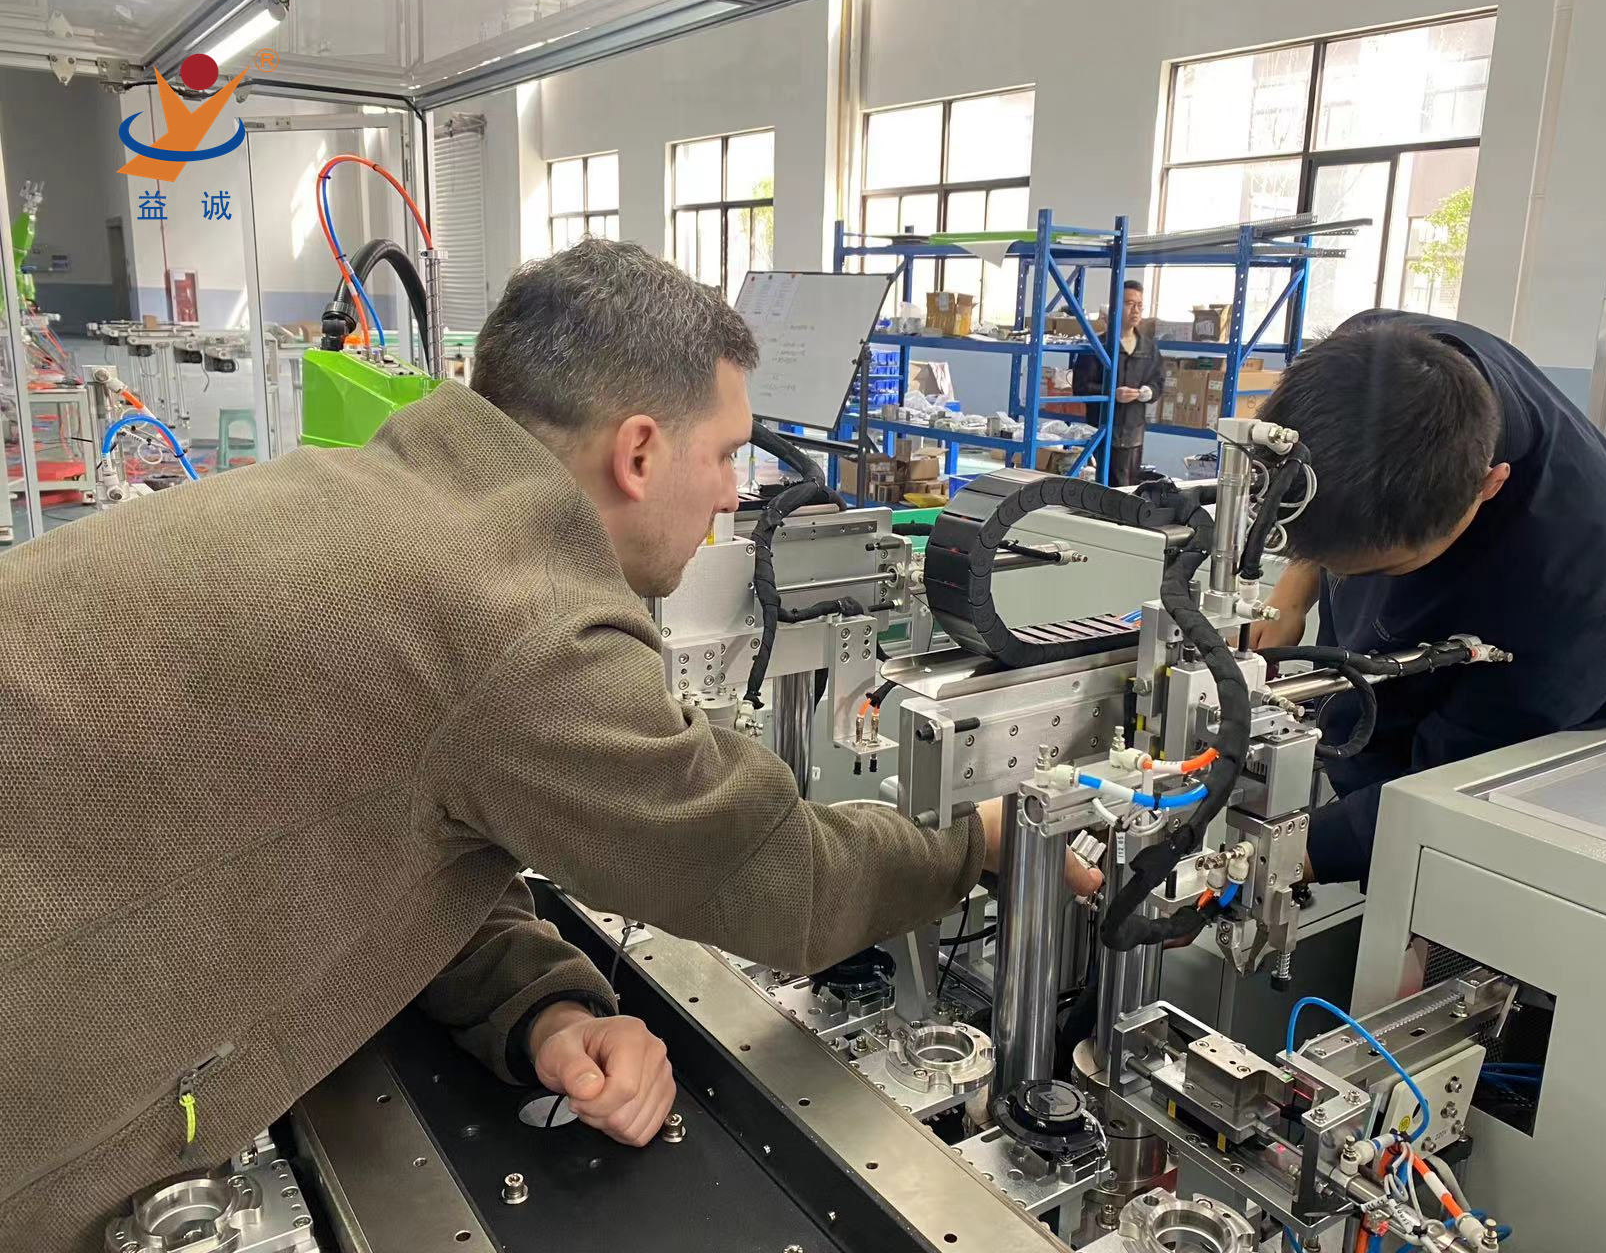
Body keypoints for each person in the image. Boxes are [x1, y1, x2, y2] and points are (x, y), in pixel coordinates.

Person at [0, 240, 1100, 1247]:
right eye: (726, 455)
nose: (734, 493)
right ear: (638, 452)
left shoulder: (384, 490)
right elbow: (788, 883)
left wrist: (541, 1006)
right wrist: (982, 840)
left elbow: (390, 831)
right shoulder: (518, 609)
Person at [1251, 310, 1606, 885]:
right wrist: (1291, 595)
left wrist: (1264, 869)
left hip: (1501, 724)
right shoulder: (1374, 361)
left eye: (1377, 569)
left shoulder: (1592, 602)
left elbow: (1451, 785)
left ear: (1488, 485)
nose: (1340, 577)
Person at [1072, 279, 1164, 486]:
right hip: (1102, 431)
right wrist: (1111, 394)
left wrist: (1148, 392)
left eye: (1139, 305)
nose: (1135, 310)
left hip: (1134, 432)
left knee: (1129, 487)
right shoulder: (1098, 346)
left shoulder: (1148, 348)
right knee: (1103, 487)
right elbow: (1081, 387)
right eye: (1129, 304)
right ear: (1115, 307)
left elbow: (1158, 381)